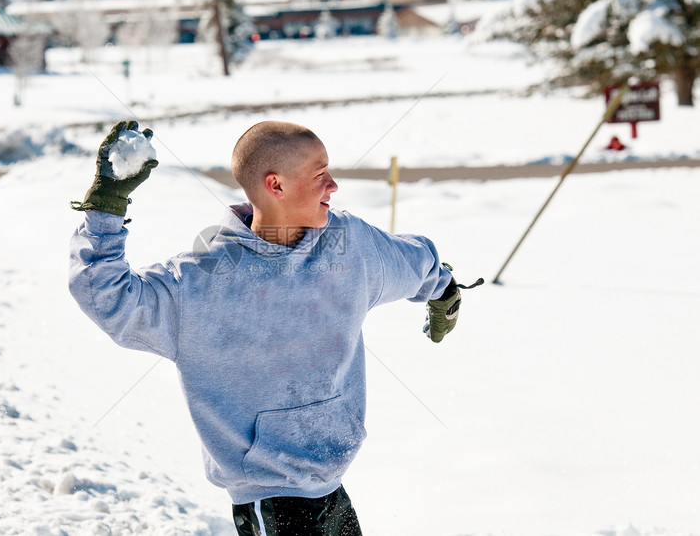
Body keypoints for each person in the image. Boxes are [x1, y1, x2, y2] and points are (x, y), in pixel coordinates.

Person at [69, 120, 463, 536]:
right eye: (320, 175)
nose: (333, 186)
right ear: (276, 185)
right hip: (270, 499)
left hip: (330, 485)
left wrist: (443, 289)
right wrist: (105, 208)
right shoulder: (200, 282)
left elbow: (411, 260)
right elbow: (107, 296)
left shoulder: (350, 245)